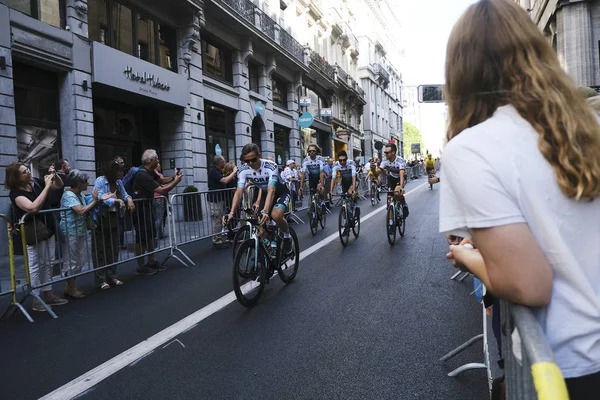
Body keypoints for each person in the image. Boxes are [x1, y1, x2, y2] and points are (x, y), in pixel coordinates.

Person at [440, 1, 600, 397]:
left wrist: (466, 256)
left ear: (461, 72)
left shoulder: (469, 149)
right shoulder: (587, 123)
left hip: (572, 364)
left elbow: (528, 284)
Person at [6, 162, 68, 311]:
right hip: (34, 231)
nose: (28, 172)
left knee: (49, 262)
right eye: (24, 172)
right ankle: (36, 299)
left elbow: (58, 185)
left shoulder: (34, 183)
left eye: (27, 169)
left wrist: (55, 175)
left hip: (48, 228)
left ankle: (48, 294)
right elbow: (33, 207)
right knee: (36, 264)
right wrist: (46, 186)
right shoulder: (15, 194)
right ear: (16, 178)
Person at [224, 143, 293, 253]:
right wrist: (231, 213)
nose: (250, 163)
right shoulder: (243, 170)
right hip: (266, 193)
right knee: (259, 223)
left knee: (275, 215)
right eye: (247, 161)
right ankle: (269, 246)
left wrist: (266, 211)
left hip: (280, 192)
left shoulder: (271, 166)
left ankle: (287, 236)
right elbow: (239, 192)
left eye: (253, 159)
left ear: (259, 156)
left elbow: (272, 190)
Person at [131, 149, 182, 275]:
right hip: (140, 209)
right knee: (141, 237)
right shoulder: (142, 175)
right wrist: (176, 181)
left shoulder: (149, 172)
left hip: (148, 206)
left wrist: (174, 176)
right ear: (151, 160)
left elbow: (162, 181)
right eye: (157, 159)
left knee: (151, 234)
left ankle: (151, 261)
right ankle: (141, 266)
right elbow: (161, 190)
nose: (159, 161)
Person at [59, 170, 104, 299]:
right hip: (69, 231)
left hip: (79, 230)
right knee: (71, 261)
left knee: (80, 260)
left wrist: (99, 198)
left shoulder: (79, 195)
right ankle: (72, 289)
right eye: (85, 181)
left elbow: (87, 204)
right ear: (78, 183)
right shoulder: (68, 195)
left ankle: (69, 287)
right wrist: (95, 201)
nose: (88, 184)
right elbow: (80, 210)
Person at [93, 161, 135, 289]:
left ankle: (112, 275)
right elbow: (100, 197)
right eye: (119, 171)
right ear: (113, 171)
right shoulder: (101, 180)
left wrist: (129, 199)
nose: (122, 173)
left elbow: (125, 194)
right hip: (101, 218)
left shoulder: (118, 182)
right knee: (100, 249)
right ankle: (101, 279)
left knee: (113, 247)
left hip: (114, 217)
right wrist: (116, 200)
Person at [208, 155, 238, 248]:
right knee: (216, 219)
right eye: (223, 161)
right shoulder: (214, 171)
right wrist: (234, 171)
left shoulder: (217, 171)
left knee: (219, 218)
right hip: (215, 198)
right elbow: (224, 181)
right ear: (219, 162)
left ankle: (218, 239)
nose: (224, 163)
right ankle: (217, 241)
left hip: (219, 198)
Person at [379, 143, 409, 218]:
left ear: (393, 152)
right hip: (392, 178)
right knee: (390, 193)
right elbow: (378, 171)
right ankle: (391, 209)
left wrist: (401, 188)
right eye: (384, 152)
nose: (385, 154)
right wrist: (374, 169)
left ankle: (404, 204)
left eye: (387, 152)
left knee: (397, 193)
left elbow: (401, 175)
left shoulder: (400, 160)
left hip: (400, 178)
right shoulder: (385, 161)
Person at [330, 150, 359, 219]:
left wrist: (354, 190)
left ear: (347, 158)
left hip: (353, 181)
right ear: (338, 160)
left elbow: (354, 177)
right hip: (344, 182)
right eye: (340, 160)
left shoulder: (352, 163)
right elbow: (333, 179)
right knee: (343, 200)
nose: (342, 162)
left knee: (350, 192)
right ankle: (346, 222)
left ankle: (356, 207)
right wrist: (330, 191)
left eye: (344, 160)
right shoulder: (335, 165)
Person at [299, 144, 326, 213]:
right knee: (311, 193)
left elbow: (322, 172)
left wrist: (322, 185)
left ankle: (323, 203)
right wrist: (301, 187)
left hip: (320, 177)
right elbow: (303, 174)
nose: (312, 152)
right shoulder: (305, 160)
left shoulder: (320, 159)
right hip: (311, 178)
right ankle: (312, 206)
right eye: (310, 151)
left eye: (313, 151)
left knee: (320, 190)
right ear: (308, 152)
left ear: (316, 151)